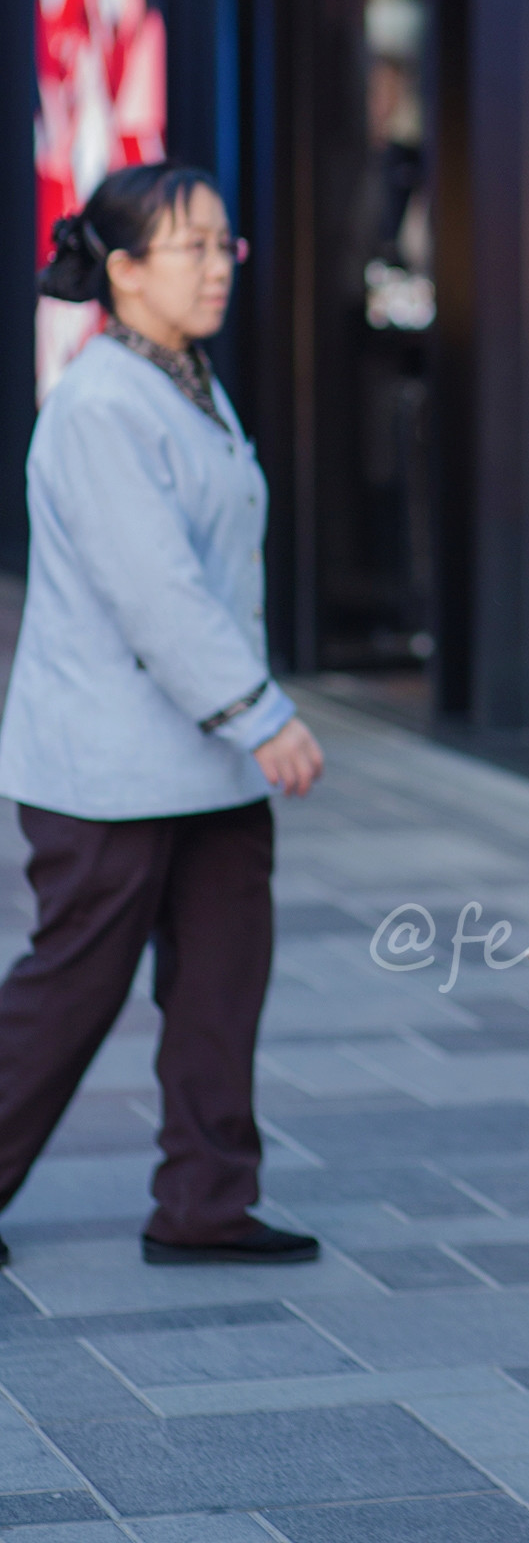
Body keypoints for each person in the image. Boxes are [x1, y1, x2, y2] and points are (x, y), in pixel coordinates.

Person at [0, 163, 324, 1268]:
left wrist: (241, 725)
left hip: (207, 765)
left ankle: (205, 1203)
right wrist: (261, 714)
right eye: (190, 247)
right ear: (124, 271)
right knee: (69, 993)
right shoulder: (100, 403)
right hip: (111, 764)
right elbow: (156, 590)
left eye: (222, 243)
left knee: (223, 985)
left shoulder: (184, 377)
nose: (217, 267)